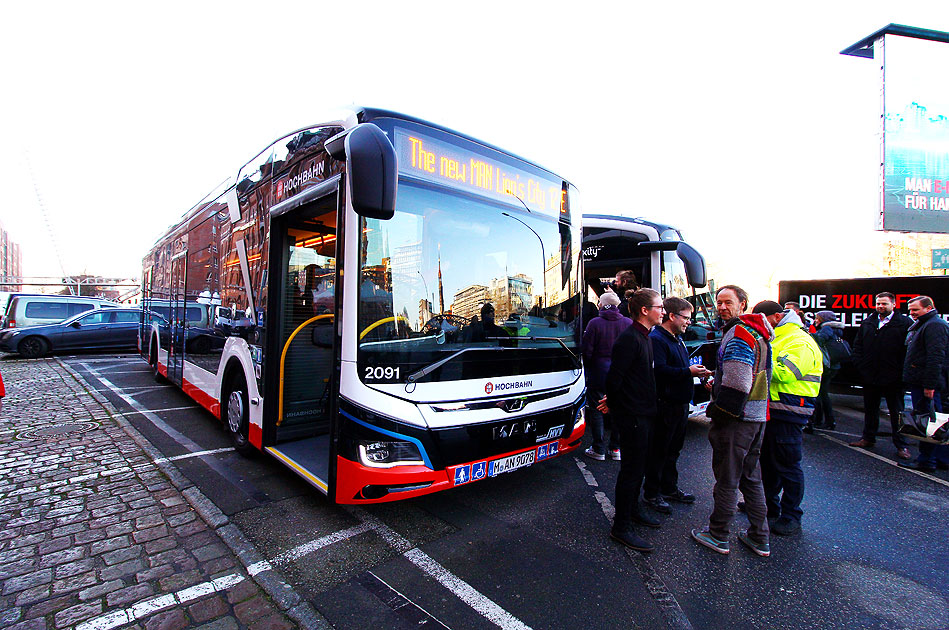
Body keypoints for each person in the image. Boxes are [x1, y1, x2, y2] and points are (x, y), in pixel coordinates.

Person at [691, 285, 773, 558]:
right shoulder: (758, 333)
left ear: (743, 304)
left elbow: (738, 385)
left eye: (728, 302)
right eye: (719, 302)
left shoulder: (738, 334)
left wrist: (717, 411)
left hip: (737, 420)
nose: (722, 307)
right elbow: (748, 375)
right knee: (751, 478)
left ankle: (718, 535)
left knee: (727, 479)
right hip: (757, 416)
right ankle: (760, 537)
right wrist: (719, 377)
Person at [601, 288, 664, 553]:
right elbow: (616, 379)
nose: (664, 311)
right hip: (633, 416)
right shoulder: (630, 339)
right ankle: (621, 526)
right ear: (644, 310)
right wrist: (613, 403)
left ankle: (634, 510)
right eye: (660, 307)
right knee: (631, 470)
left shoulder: (646, 337)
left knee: (639, 468)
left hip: (645, 413)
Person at [753, 300, 822, 537]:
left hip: (790, 413)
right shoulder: (778, 336)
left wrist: (755, 361)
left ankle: (792, 515)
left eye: (762, 319)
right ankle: (770, 507)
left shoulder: (798, 340)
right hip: (773, 411)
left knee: (788, 465)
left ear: (775, 316)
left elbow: (787, 373)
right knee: (769, 462)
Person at [643, 297, 710, 513]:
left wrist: (698, 373)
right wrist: (687, 372)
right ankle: (652, 494)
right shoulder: (657, 339)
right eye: (686, 318)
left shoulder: (676, 338)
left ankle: (669, 488)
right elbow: (658, 371)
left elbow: (679, 367)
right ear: (672, 316)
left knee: (673, 451)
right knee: (659, 452)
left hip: (680, 405)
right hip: (665, 407)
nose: (688, 322)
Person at [849, 292, 913, 459]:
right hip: (870, 376)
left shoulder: (904, 323)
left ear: (893, 305)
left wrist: (901, 372)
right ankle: (868, 438)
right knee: (870, 410)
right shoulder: (868, 322)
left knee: (897, 412)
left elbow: (909, 351)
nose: (880, 307)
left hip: (894, 378)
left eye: (884, 304)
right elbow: (858, 347)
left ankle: (902, 445)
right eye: (878, 304)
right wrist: (861, 366)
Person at [898, 296, 949, 472]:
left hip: (926, 384)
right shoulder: (925, 324)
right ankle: (939, 458)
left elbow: (936, 358)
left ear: (928, 308)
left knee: (928, 422)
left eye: (915, 310)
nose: (911, 313)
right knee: (930, 421)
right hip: (922, 381)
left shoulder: (934, 325)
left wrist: (929, 385)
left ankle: (927, 461)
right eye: (910, 310)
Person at [582, 292, 632, 461]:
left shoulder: (594, 323)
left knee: (597, 409)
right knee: (618, 409)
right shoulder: (628, 323)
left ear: (601, 305)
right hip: (622, 374)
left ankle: (598, 449)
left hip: (599, 373)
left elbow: (586, 351)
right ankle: (616, 448)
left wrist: (589, 368)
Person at [808, 310, 845, 432]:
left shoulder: (826, 328)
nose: (816, 320)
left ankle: (821, 420)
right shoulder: (835, 329)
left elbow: (820, 340)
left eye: (818, 318)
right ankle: (829, 421)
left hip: (826, 366)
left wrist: (809, 334)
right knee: (824, 393)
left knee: (820, 394)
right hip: (833, 365)